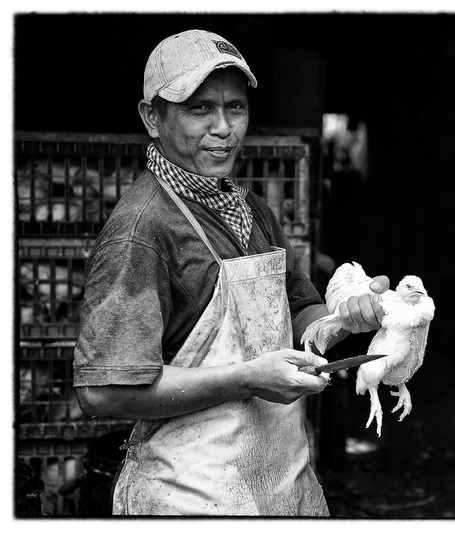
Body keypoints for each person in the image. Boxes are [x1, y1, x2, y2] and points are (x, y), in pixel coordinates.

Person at [72, 29, 388, 516]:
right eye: (200, 109)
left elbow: (298, 309)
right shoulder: (142, 231)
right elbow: (103, 390)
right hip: (190, 497)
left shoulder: (250, 209)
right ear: (151, 117)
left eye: (235, 108)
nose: (224, 128)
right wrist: (244, 379)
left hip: (282, 489)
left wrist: (349, 319)